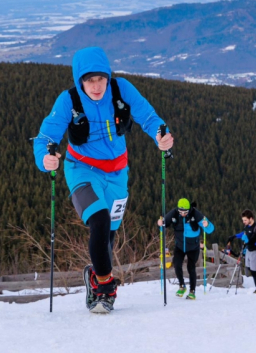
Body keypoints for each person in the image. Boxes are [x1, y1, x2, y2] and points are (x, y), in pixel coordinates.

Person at [34, 47, 173, 313]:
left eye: (101, 79)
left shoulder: (121, 90)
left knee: (107, 238)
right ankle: (106, 289)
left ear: (108, 76)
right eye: (89, 80)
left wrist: (160, 135)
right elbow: (45, 138)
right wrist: (45, 159)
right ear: (79, 80)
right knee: (99, 219)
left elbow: (148, 117)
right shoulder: (69, 101)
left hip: (118, 174)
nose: (96, 86)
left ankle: (94, 276)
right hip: (81, 169)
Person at [157, 198, 215, 300]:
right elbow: (163, 225)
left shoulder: (195, 214)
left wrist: (207, 225)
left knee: (190, 267)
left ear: (189, 210)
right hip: (180, 246)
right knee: (177, 264)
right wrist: (160, 224)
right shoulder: (174, 214)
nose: (183, 214)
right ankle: (182, 286)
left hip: (193, 247)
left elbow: (210, 229)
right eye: (181, 212)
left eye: (185, 212)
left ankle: (192, 291)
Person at [226, 209, 256, 293]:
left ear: (251, 218)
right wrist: (234, 236)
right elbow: (244, 233)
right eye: (243, 220)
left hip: (255, 251)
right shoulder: (247, 227)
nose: (244, 222)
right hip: (248, 250)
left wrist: (249, 241)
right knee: (249, 268)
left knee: (254, 270)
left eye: (245, 220)